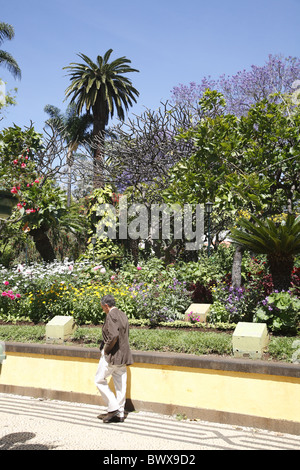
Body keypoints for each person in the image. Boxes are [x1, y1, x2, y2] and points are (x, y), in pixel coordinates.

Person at [95, 294, 133, 423]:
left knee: (99, 380)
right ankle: (120, 413)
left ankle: (113, 407)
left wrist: (105, 350)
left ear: (106, 305)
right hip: (123, 356)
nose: (103, 310)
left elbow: (113, 335)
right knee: (120, 384)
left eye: (103, 307)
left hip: (112, 356)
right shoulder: (122, 314)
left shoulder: (111, 315)